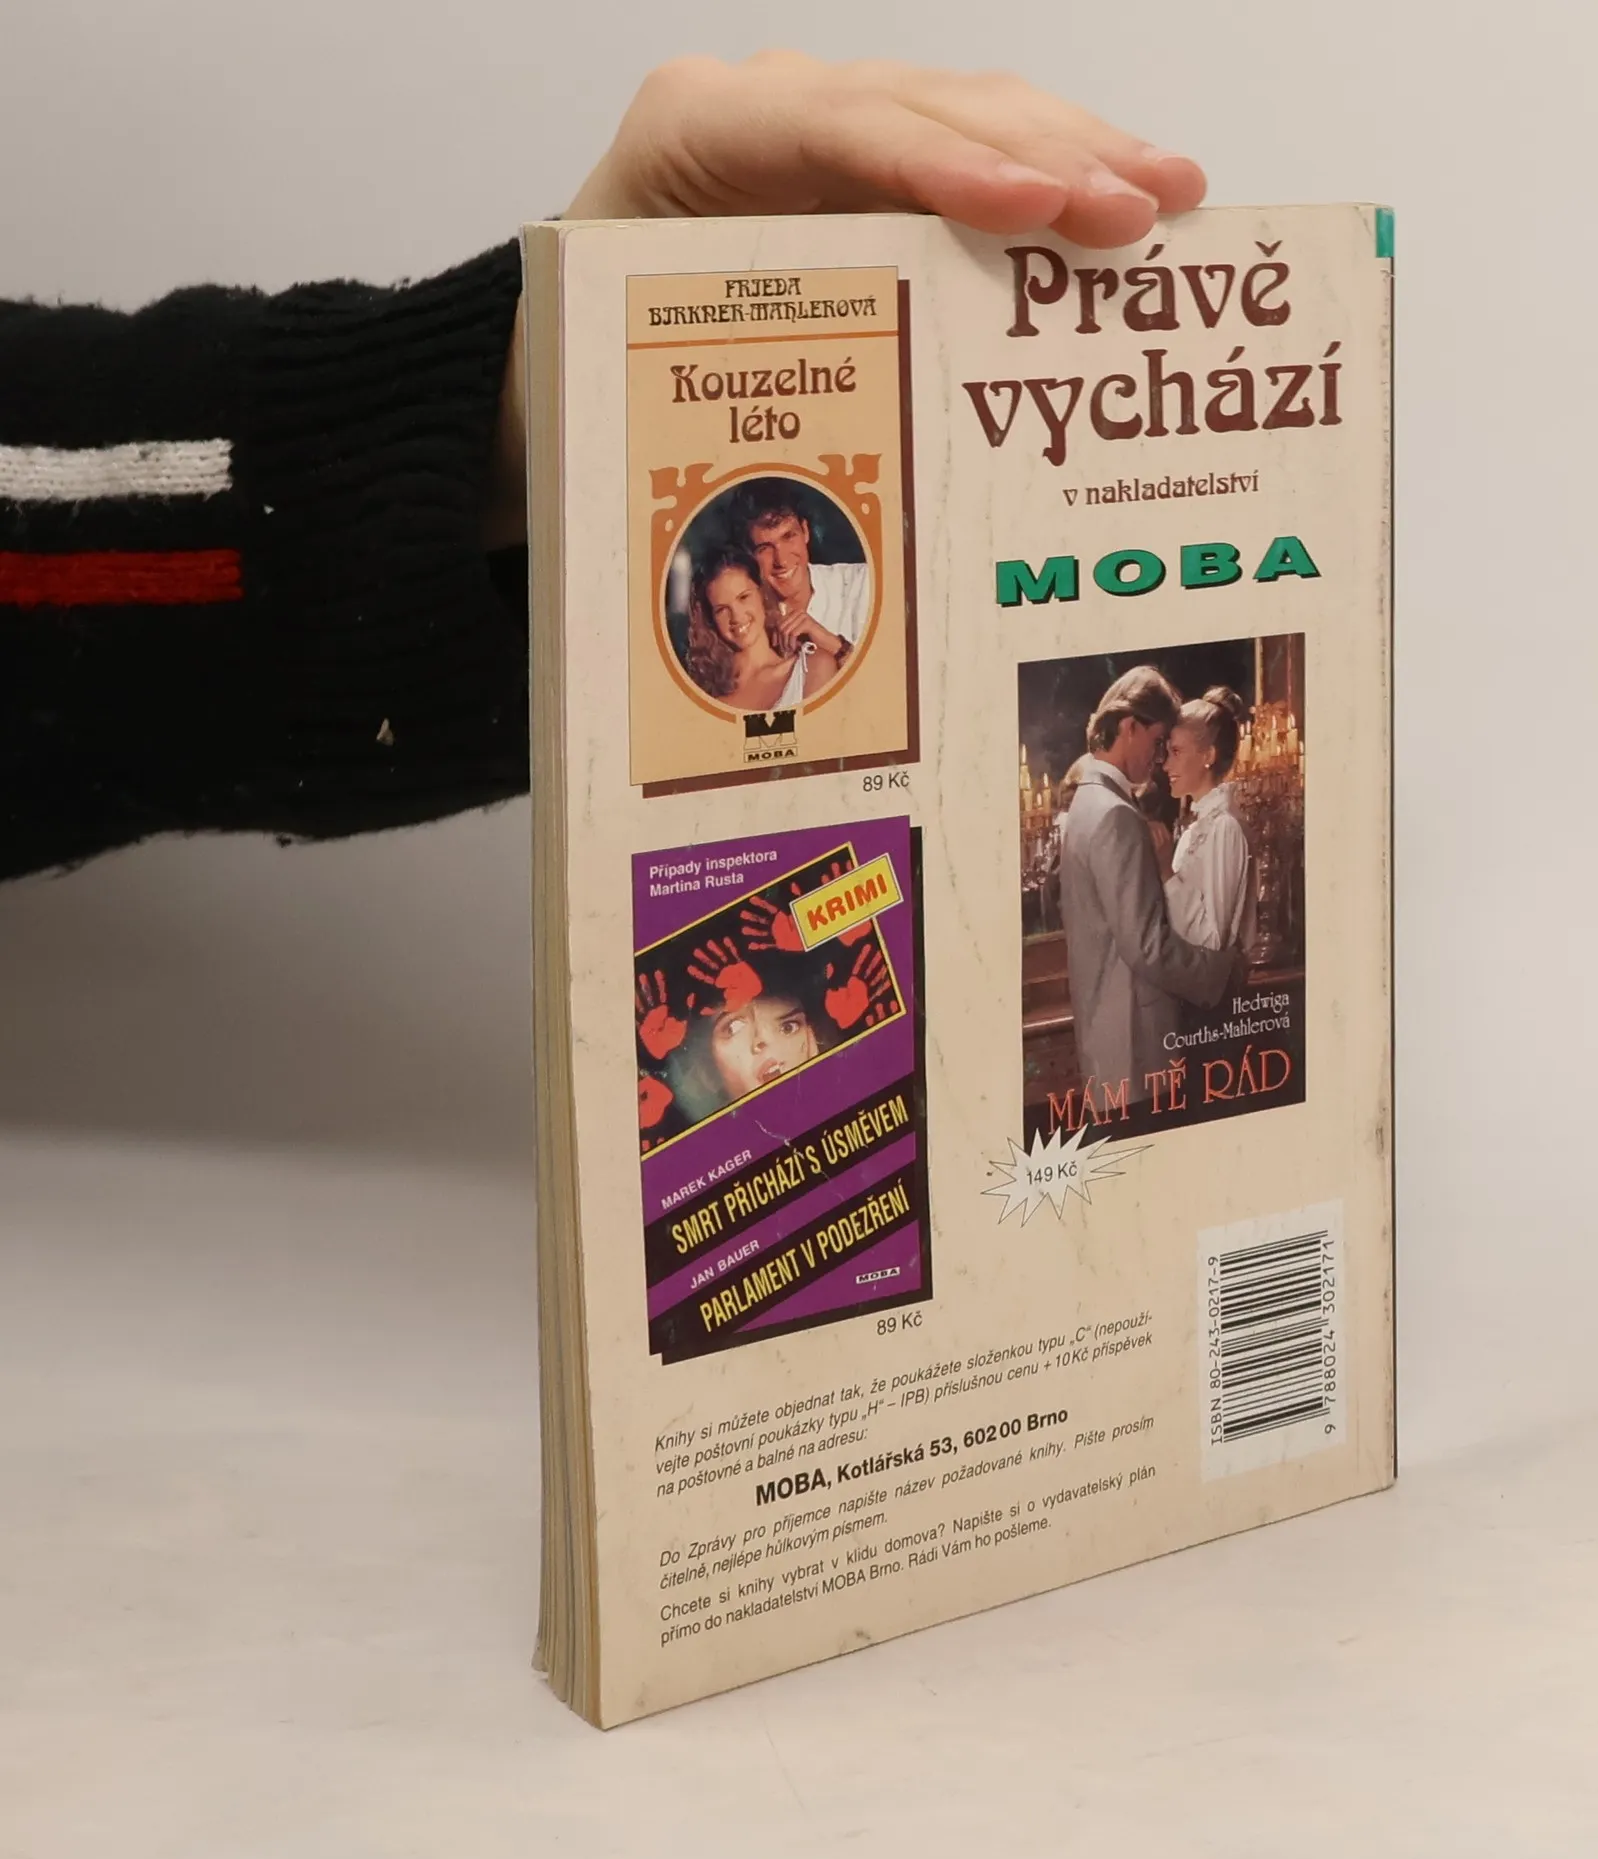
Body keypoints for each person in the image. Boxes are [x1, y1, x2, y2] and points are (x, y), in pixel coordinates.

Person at [0, 55, 1207, 882]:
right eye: (747, 580)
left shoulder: (836, 629)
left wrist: (534, 384)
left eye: (778, 561)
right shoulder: (775, 660)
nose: (763, 591)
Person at [1057, 666, 1234, 1101]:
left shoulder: (1086, 803)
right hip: (1136, 1048)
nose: (1159, 760)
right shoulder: (1115, 814)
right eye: (1157, 743)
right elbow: (1147, 947)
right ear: (1129, 727)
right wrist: (1219, 972)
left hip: (1110, 1041)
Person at [1159, 685, 1256, 963]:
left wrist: (1166, 873)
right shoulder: (1195, 831)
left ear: (1208, 756)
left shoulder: (1225, 828)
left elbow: (1213, 940)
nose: (1166, 765)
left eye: (1176, 751)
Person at [732, 479, 869, 666]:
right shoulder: (743, 619)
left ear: (805, 531)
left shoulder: (862, 583)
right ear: (749, 554)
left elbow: (889, 676)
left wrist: (831, 644)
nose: (781, 560)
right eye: (765, 548)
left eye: (788, 536)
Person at [685, 546, 840, 711]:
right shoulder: (704, 696)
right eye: (722, 609)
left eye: (743, 597)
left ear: (762, 594)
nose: (736, 616)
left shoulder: (811, 668)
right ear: (710, 619)